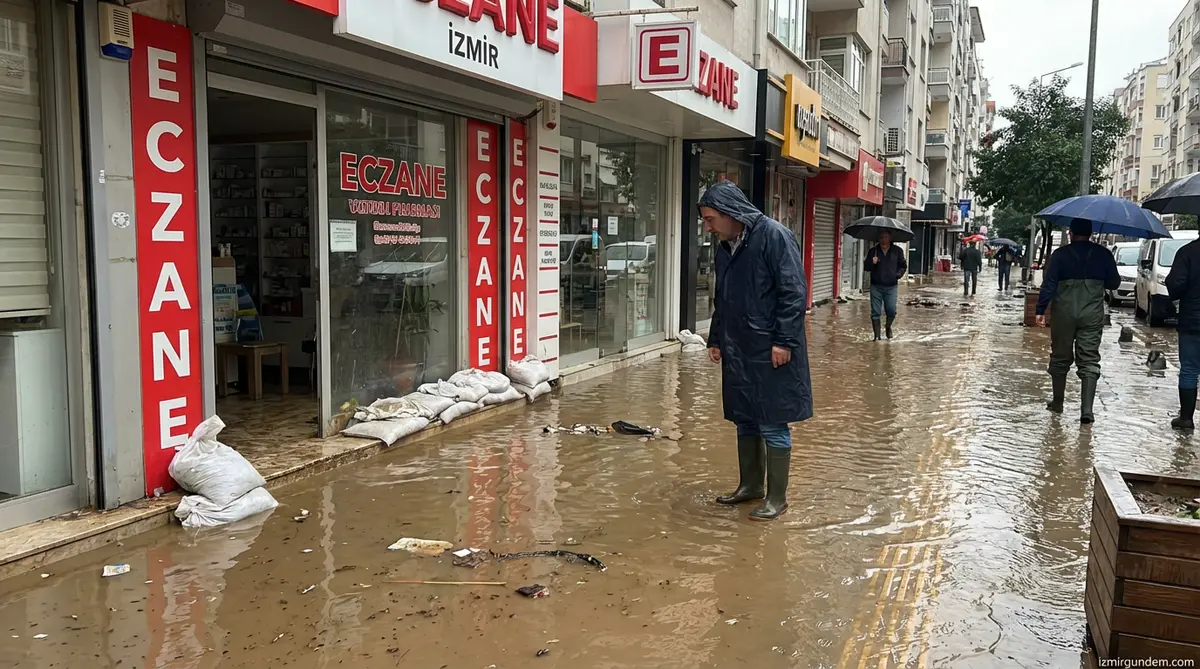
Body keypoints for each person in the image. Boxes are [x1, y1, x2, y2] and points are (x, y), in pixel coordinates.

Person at [701, 181, 812, 521]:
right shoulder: (724, 247)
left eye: (710, 219)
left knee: (772, 421)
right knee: (745, 418)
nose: (707, 226)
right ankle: (751, 486)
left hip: (769, 347)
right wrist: (716, 338)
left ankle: (777, 498)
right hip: (739, 348)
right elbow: (724, 298)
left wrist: (784, 341)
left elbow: (794, 292)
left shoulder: (774, 237)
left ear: (731, 213)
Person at [1035, 219, 1121, 424]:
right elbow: (1114, 283)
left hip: (1064, 313)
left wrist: (1040, 310)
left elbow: (1049, 284)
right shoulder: (1103, 254)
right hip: (1091, 314)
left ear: (1071, 233)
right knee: (1089, 359)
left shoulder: (1060, 255)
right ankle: (1087, 411)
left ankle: (1057, 403)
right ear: (1091, 234)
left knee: (1060, 357)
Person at [1165, 236, 1200, 430]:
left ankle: (1186, 419)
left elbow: (1175, 286)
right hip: (1192, 321)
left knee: (1189, 369)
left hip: (1192, 322)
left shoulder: (1187, 252)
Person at [865, 229, 908, 340]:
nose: (883, 240)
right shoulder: (873, 251)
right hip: (876, 286)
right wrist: (871, 262)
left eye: (886, 237)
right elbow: (866, 267)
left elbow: (903, 266)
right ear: (878, 239)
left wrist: (897, 275)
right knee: (875, 312)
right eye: (881, 238)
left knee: (891, 310)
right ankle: (877, 337)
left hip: (891, 286)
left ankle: (888, 327)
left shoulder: (897, 251)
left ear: (890, 238)